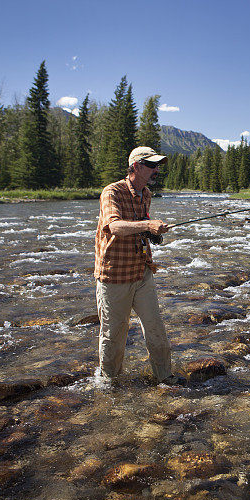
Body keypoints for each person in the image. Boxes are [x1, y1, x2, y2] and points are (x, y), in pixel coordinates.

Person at [93, 146, 183, 385]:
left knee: (156, 327)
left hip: (142, 270)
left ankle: (165, 378)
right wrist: (147, 226)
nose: (156, 170)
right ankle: (109, 383)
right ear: (136, 167)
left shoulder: (147, 194)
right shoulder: (111, 192)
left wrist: (153, 232)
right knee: (114, 334)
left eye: (157, 166)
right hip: (114, 274)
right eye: (152, 165)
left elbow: (141, 226)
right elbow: (115, 227)